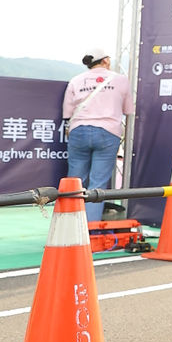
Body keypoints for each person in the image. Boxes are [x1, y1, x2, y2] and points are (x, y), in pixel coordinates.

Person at [63, 48, 134, 224]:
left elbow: (67, 112)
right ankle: (90, 229)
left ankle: (68, 224)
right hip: (108, 132)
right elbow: (128, 110)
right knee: (97, 185)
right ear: (106, 60)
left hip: (79, 130)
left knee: (74, 182)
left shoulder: (76, 80)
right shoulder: (120, 80)